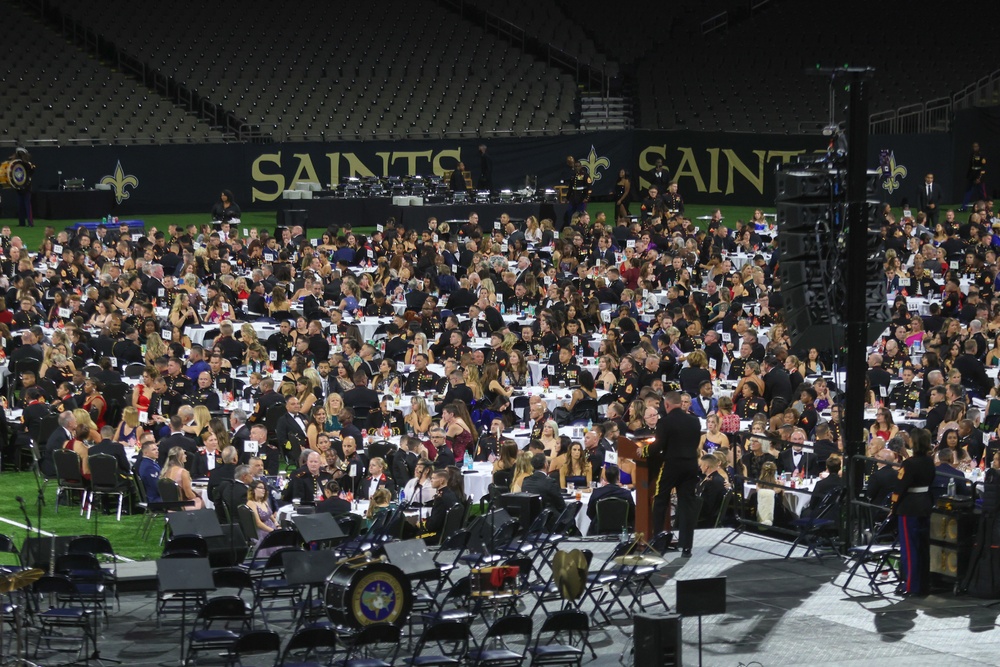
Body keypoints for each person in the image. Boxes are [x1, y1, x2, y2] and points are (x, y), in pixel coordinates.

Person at [644, 391, 701, 557]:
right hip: (690, 465)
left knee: (660, 500)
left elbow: (657, 446)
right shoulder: (694, 420)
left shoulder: (665, 422)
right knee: (687, 504)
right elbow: (695, 443)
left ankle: (659, 542)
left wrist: (644, 450)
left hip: (671, 466)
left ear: (667, 405)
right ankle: (686, 545)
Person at [891, 428, 936, 596]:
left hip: (909, 507)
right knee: (923, 548)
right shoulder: (929, 461)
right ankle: (923, 584)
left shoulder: (909, 464)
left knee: (910, 550)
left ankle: (911, 585)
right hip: (925, 505)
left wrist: (893, 508)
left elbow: (900, 488)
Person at [586, 464, 634, 533]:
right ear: (618, 477)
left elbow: (589, 512)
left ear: (605, 478)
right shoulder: (626, 494)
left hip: (599, 530)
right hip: (622, 530)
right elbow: (632, 514)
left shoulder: (597, 493)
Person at [422, 469, 460, 545]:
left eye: (433, 478)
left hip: (438, 535)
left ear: (441, 481)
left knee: (410, 537)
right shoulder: (451, 494)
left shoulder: (440, 499)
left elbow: (433, 525)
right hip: (450, 534)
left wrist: (422, 524)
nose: (431, 480)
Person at [696, 454, 727, 527]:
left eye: (701, 465)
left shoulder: (711, 482)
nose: (700, 467)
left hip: (705, 521)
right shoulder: (718, 478)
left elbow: (707, 507)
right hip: (709, 517)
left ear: (706, 466)